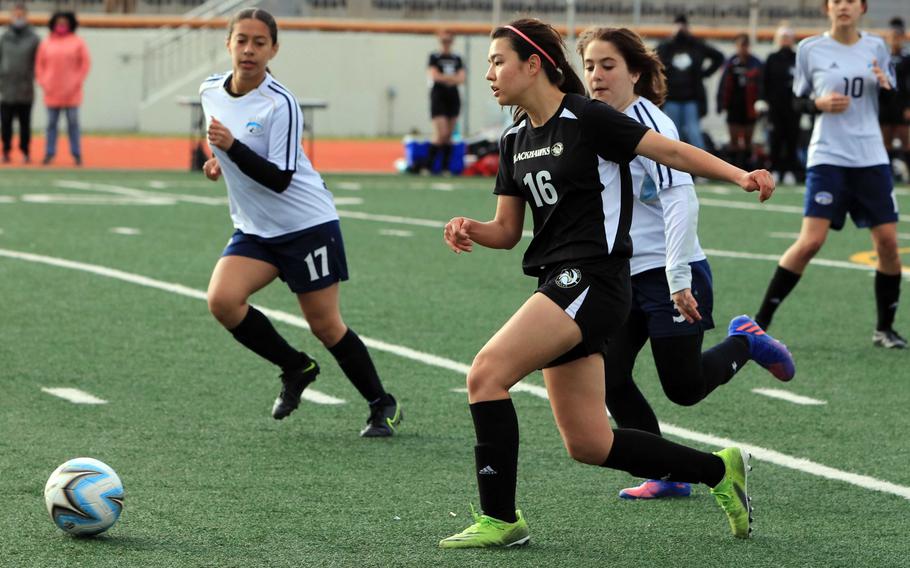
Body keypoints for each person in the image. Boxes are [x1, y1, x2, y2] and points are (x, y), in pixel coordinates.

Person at [438, 18, 778, 549]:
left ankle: (501, 519)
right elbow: (507, 231)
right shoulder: (513, 140)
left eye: (497, 61)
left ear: (534, 65)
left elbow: (669, 152)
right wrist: (469, 228)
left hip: (593, 279)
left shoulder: (587, 118)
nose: (489, 74)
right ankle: (718, 470)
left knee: (485, 374)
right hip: (559, 282)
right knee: (590, 443)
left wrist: (740, 174)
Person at [576, 27, 794, 501]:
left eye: (607, 66)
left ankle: (746, 342)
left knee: (684, 388)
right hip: (623, 276)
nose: (596, 75)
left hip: (672, 273)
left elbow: (681, 201)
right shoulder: (591, 121)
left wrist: (677, 276)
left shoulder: (650, 124)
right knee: (611, 378)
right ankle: (668, 474)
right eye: (589, 66)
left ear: (634, 72)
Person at [199, 8, 401, 436]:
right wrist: (218, 160)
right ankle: (296, 367)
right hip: (255, 229)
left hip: (305, 226)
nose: (249, 50)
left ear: (274, 49)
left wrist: (231, 148)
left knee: (325, 324)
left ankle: (382, 403)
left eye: (259, 42)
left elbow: (279, 177)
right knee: (222, 300)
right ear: (228, 44)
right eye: (242, 40)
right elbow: (224, 141)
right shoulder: (210, 91)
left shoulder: (281, 104)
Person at [754, 0, 905, 349]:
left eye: (851, 1)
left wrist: (887, 87)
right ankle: (759, 324)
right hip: (828, 157)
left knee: (887, 244)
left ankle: (885, 329)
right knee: (810, 242)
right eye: (836, 1)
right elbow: (797, 102)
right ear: (827, 8)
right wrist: (817, 104)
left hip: (871, 157)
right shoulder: (810, 49)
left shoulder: (877, 47)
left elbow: (895, 104)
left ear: (863, 8)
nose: (843, 7)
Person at [656, 14, 724, 150]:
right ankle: (675, 168)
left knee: (695, 134)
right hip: (671, 98)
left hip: (691, 99)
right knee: (674, 135)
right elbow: (651, 61)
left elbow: (719, 57)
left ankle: (703, 168)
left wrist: (704, 74)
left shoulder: (696, 45)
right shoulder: (666, 46)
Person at [35, 11, 90, 166]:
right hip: (52, 90)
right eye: (58, 23)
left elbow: (85, 64)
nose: (61, 26)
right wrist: (44, 82)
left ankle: (76, 154)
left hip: (72, 91)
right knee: (51, 124)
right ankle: (49, 153)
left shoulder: (77, 42)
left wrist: (76, 81)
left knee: (73, 123)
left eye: (64, 23)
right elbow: (39, 65)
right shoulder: (46, 43)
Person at [762, 24, 803, 183]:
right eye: (782, 38)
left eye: (788, 38)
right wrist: (762, 100)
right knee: (775, 139)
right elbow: (764, 81)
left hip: (794, 107)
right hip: (775, 107)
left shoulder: (797, 58)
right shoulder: (772, 58)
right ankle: (775, 169)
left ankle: (790, 170)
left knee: (792, 139)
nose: (785, 41)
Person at [0, 2, 39, 164]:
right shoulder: (4, 38)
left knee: (25, 124)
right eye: (15, 15)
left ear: (26, 16)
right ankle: (6, 151)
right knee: (6, 124)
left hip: (25, 88)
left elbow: (39, 62)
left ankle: (25, 151)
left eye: (21, 15)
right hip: (7, 88)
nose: (18, 18)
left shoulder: (33, 38)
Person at [717, 33, 763, 169]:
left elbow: (762, 85)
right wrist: (721, 104)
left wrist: (762, 102)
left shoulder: (756, 63)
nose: (743, 48)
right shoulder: (731, 63)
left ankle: (747, 167)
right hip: (734, 107)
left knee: (749, 139)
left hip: (749, 107)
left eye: (745, 45)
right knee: (734, 140)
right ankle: (733, 167)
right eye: (740, 45)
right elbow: (723, 84)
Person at [425, 30, 465, 173]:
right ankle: (428, 166)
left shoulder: (457, 58)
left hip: (453, 97)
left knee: (449, 135)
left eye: (448, 41)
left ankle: (445, 167)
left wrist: (446, 78)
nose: (446, 44)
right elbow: (434, 75)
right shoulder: (434, 57)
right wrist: (451, 78)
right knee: (441, 133)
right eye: (443, 41)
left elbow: (461, 78)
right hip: (438, 97)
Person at [879, 17, 910, 180]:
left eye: (898, 36)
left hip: (902, 105)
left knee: (905, 140)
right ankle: (887, 173)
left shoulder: (907, 58)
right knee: (886, 141)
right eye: (892, 36)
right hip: (885, 105)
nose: (894, 39)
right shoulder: (883, 59)